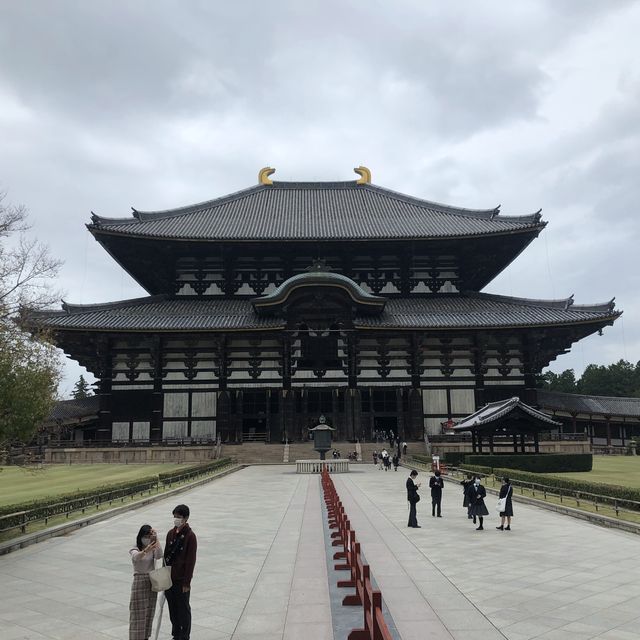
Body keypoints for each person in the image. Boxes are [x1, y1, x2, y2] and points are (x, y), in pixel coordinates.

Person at [165, 504, 197, 640]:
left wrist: (187, 582)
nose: (176, 519)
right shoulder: (170, 534)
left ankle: (185, 635)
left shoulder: (190, 536)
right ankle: (176, 633)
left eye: (179, 517)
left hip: (181, 580)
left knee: (183, 609)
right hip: (169, 579)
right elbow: (166, 557)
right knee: (172, 609)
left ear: (186, 518)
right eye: (175, 516)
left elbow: (190, 561)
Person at [129, 524, 163, 640]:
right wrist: (145, 550)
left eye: (149, 535)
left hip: (151, 580)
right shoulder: (135, 548)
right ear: (140, 536)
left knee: (149, 611)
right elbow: (136, 558)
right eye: (146, 536)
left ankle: (145, 637)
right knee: (138, 612)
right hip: (139, 580)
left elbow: (160, 555)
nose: (147, 538)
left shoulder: (153, 547)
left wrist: (156, 539)